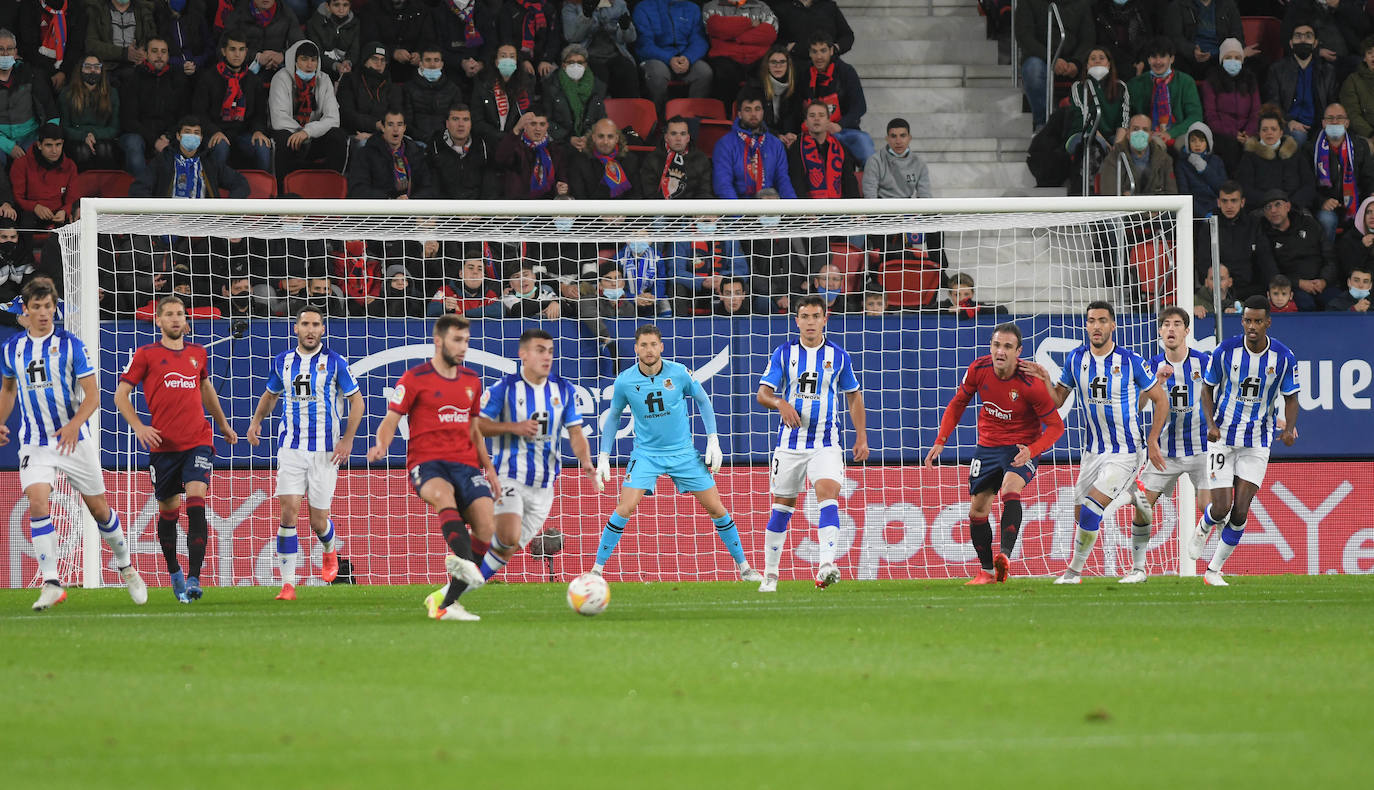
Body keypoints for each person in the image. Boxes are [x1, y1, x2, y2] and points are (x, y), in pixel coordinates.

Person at [0, 279, 146, 611]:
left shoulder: (71, 345)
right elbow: (8, 390)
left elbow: (93, 396)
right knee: (38, 502)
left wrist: (74, 425)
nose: (43, 313)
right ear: (26, 310)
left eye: (48, 306)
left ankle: (125, 565)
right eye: (36, 307)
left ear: (55, 308)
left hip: (74, 441)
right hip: (35, 442)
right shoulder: (11, 349)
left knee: (100, 511)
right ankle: (52, 582)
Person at [590, 324, 763, 582]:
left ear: (661, 346)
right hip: (646, 454)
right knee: (624, 508)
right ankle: (596, 570)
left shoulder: (680, 373)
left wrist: (713, 440)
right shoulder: (625, 380)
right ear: (636, 348)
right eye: (643, 345)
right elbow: (614, 416)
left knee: (716, 509)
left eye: (653, 344)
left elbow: (703, 401)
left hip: (683, 453)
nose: (649, 350)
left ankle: (745, 568)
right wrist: (604, 455)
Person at [1021, 301, 1167, 584]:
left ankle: (1073, 572)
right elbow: (1058, 400)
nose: (1096, 326)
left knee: (1091, 511)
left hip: (1126, 451)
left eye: (1102, 320)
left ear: (1113, 325)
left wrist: (1152, 440)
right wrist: (1046, 379)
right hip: (1093, 452)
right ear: (1086, 325)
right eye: (1091, 321)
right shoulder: (1076, 359)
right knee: (1081, 517)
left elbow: (1161, 400)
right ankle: (1134, 495)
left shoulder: (1130, 361)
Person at [366, 315, 499, 621]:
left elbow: (475, 430)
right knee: (443, 495)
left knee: (487, 526)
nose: (463, 347)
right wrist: (381, 444)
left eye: (466, 341)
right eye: (457, 340)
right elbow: (390, 420)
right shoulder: (414, 378)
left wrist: (489, 468)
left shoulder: (471, 381)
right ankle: (464, 560)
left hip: (466, 465)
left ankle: (445, 604)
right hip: (427, 464)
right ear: (438, 341)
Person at [113, 296, 239, 603]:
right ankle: (174, 571)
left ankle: (195, 577)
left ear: (185, 320)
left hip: (198, 441)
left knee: (196, 502)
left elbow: (206, 389)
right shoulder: (146, 355)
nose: (174, 319)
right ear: (158, 320)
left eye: (179, 314)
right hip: (163, 448)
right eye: (168, 314)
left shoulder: (198, 353)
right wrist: (139, 427)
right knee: (169, 512)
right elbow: (120, 395)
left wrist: (223, 425)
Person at [459, 328, 599, 602]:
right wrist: (513, 427)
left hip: (545, 486)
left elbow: (575, 432)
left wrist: (586, 462)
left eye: (550, 351)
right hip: (510, 476)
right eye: (540, 350)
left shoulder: (564, 389)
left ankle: (456, 589)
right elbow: (476, 426)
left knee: (506, 548)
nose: (547, 357)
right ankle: (471, 541)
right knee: (508, 533)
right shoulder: (504, 389)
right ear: (523, 354)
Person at [925, 322, 1063, 584]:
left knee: (1010, 489)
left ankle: (1005, 556)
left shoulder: (1031, 383)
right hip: (987, 447)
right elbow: (958, 403)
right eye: (996, 345)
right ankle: (988, 571)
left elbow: (1056, 427)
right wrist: (941, 440)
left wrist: (1032, 450)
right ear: (990, 346)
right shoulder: (978, 369)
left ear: (1018, 352)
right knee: (977, 511)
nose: (1001, 351)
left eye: (1008, 347)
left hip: (1021, 448)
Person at [245, 305, 363, 600]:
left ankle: (329, 549)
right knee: (288, 512)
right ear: (296, 328)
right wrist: (256, 422)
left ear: (323, 329)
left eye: (316, 325)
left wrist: (347, 440)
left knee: (318, 521)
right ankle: (287, 585)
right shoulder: (283, 361)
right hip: (291, 448)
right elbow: (270, 395)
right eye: (306, 324)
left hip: (325, 452)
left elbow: (357, 402)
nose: (311, 330)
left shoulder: (335, 362)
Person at [753, 294, 868, 590]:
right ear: (797, 321)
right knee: (781, 508)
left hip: (825, 442)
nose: (810, 322)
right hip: (790, 444)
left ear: (825, 319)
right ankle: (770, 575)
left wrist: (861, 436)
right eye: (805, 316)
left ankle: (826, 565)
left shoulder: (838, 356)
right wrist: (780, 403)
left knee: (828, 495)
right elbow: (763, 393)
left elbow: (853, 395)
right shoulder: (784, 353)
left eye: (816, 316)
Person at [1190, 295, 1300, 585]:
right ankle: (1205, 524)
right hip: (1223, 438)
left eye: (1257, 321)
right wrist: (1211, 424)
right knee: (1222, 508)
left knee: (1240, 512)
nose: (1252, 326)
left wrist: (1289, 428)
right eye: (1247, 320)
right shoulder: (1225, 351)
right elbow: (1207, 390)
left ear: (1267, 323)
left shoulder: (1283, 357)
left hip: (1257, 442)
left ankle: (1213, 570)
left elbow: (1291, 397)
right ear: (1242, 321)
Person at [1131, 307, 1213, 582]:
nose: (1171, 329)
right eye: (1166, 324)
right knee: (1142, 506)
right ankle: (1138, 569)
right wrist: (1156, 383)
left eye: (1177, 324)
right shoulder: (1151, 365)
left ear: (1187, 331)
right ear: (1159, 331)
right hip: (1164, 451)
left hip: (1202, 449)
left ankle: (1206, 544)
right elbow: (1138, 406)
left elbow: (1223, 395)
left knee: (1211, 508)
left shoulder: (1204, 362)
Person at [193, 29, 273, 173]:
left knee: (262, 147)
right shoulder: (208, 78)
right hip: (215, 131)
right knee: (221, 146)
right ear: (223, 51)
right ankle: (215, 186)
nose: (237, 54)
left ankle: (264, 186)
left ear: (246, 52)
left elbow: (260, 114)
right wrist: (214, 131)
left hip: (243, 133)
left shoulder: (253, 80)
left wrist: (258, 131)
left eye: (241, 49)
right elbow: (199, 113)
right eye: (233, 49)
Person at [268, 39, 346, 177]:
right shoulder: (280, 78)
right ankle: (283, 187)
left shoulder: (324, 79)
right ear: (294, 60)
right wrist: (300, 133)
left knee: (337, 135)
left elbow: (333, 119)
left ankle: (332, 183)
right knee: (282, 137)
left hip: (313, 136)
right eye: (304, 59)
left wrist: (308, 132)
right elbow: (279, 119)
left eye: (313, 60)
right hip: (291, 136)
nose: (310, 65)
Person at [1016, 0, 1094, 131]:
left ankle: (1087, 127)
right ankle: (1044, 125)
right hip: (1041, 57)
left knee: (1100, 66)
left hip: (1074, 59)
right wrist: (1051, 58)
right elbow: (1024, 36)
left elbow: (1088, 39)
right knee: (1033, 70)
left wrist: (1077, 62)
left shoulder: (1082, 3)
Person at [118, 37, 188, 181]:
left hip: (168, 135)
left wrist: (168, 136)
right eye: (154, 51)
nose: (159, 55)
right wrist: (155, 140)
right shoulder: (133, 78)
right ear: (146, 54)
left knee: (189, 139)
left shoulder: (177, 78)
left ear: (168, 55)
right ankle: (144, 190)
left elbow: (183, 116)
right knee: (133, 143)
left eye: (163, 52)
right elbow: (129, 120)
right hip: (139, 134)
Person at [130, 115, 252, 198]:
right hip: (169, 222)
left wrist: (226, 209)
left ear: (201, 138)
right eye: (187, 132)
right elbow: (138, 188)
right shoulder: (163, 160)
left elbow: (241, 183)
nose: (192, 136)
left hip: (204, 222)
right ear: (178, 136)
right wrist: (158, 215)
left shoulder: (210, 162)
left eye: (196, 133)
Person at [797, 31, 871, 163]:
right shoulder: (803, 74)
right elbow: (795, 108)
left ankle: (873, 176)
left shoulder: (846, 71)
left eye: (823, 50)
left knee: (864, 142)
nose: (819, 56)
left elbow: (860, 107)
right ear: (809, 53)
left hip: (843, 130)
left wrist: (839, 125)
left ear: (831, 51)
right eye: (814, 51)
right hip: (812, 132)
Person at [1258, 188, 1337, 310]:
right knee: (1305, 304)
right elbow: (1270, 272)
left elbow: (1330, 257)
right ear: (1264, 213)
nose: (1273, 210)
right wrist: (1299, 283)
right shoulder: (1263, 234)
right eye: (1268, 207)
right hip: (1290, 287)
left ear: (1288, 207)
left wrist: (1324, 280)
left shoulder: (1309, 224)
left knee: (1337, 302)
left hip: (1320, 283)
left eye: (1278, 205)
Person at [1305, 102, 1374, 241]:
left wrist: (1370, 196)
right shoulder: (1310, 149)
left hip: (1356, 203)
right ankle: (1328, 254)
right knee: (1327, 219)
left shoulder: (1360, 146)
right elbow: (1306, 184)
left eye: (1340, 118)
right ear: (1323, 123)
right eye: (1330, 118)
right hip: (1324, 207)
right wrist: (1322, 201)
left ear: (1347, 123)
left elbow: (1369, 178)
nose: (1335, 122)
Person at [712, 88, 795, 198]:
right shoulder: (724, 145)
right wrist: (739, 210)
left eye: (757, 109)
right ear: (739, 114)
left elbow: (783, 181)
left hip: (770, 205)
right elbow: (723, 185)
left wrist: (793, 207)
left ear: (763, 112)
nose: (753, 114)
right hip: (739, 205)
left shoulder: (776, 144)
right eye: (748, 110)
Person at [1264, 21, 1337, 147]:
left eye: (1308, 36)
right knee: (1299, 136)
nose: (1303, 40)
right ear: (1291, 43)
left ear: (1315, 43)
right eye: (1298, 36)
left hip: (1319, 125)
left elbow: (1333, 103)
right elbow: (1273, 103)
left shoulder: (1327, 71)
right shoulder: (1277, 69)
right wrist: (1288, 122)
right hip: (1288, 125)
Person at [632, 0, 711, 111]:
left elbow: (699, 40)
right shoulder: (643, 7)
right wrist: (669, 58)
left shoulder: (692, 8)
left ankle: (693, 116)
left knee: (704, 72)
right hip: (656, 58)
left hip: (685, 57)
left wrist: (688, 58)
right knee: (658, 73)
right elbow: (644, 44)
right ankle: (658, 118)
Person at [1234, 104, 1316, 209]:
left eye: (1273, 129)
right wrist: (1271, 204)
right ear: (1259, 133)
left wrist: (1290, 205)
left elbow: (1309, 184)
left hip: (1293, 209)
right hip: (1262, 210)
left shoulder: (1295, 153)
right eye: (1265, 129)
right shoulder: (1249, 156)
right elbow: (1245, 188)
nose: (1269, 133)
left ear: (1281, 132)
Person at [1128, 37, 1203, 149]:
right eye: (1154, 57)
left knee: (1188, 145)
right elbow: (1128, 115)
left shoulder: (1186, 81)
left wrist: (1171, 133)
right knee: (1155, 146)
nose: (1158, 62)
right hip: (1149, 134)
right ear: (1148, 60)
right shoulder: (1135, 84)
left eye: (1162, 57)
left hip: (1180, 132)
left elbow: (1195, 116)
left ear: (1171, 59)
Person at [0, 27, 58, 171]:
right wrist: (8, 146)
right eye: (0, 49)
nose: (5, 54)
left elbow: (51, 111)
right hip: (1, 139)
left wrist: (48, 138)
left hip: (30, 136)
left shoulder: (31, 75)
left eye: (9, 49)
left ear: (15, 52)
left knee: (35, 165)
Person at [1199, 37, 1260, 174]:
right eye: (1228, 57)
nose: (1233, 61)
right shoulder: (1211, 81)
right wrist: (1233, 133)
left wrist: (1248, 132)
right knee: (1230, 145)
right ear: (1222, 60)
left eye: (1237, 57)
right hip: (1222, 132)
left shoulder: (1250, 79)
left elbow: (1256, 112)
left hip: (1247, 132)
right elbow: (1211, 116)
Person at [702, 0, 776, 107]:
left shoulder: (761, 6)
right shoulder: (712, 6)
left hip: (758, 59)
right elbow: (716, 27)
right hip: (726, 59)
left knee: (773, 68)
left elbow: (770, 33)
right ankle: (726, 113)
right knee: (724, 73)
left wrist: (733, 36)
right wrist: (749, 23)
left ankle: (767, 114)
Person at [348, 110, 435, 199]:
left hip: (411, 205)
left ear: (404, 128)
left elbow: (428, 187)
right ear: (383, 127)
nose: (395, 129)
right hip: (382, 206)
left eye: (399, 125)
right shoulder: (365, 154)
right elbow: (358, 189)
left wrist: (409, 201)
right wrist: (390, 201)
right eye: (390, 125)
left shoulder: (416, 153)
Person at [561, 0, 639, 100]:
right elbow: (571, 36)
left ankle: (628, 108)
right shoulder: (571, 6)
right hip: (587, 55)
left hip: (615, 54)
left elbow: (631, 38)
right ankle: (594, 109)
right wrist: (586, 16)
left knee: (626, 70)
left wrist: (625, 28)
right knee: (598, 74)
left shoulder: (619, 4)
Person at [668, 218, 748, 314]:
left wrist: (724, 278)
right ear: (694, 216)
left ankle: (741, 322)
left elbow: (741, 269)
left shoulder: (729, 235)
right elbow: (675, 271)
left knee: (741, 287)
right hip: (692, 287)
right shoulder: (682, 235)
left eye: (711, 214)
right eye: (703, 214)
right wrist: (702, 282)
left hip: (722, 286)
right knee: (676, 289)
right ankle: (682, 322)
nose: (707, 218)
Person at [59, 56, 121, 171]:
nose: (92, 70)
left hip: (103, 137)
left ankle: (104, 182)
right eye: (88, 67)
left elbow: (115, 128)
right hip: (75, 138)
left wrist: (94, 135)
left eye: (96, 67)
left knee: (104, 149)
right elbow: (64, 127)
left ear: (102, 70)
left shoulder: (112, 93)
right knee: (82, 151)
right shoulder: (67, 93)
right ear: (80, 70)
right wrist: (84, 136)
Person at [471, 42, 537, 149]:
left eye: (512, 56)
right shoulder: (482, 82)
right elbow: (477, 121)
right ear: (496, 61)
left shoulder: (526, 84)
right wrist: (503, 137)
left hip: (518, 142)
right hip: (489, 142)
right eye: (503, 56)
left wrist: (514, 135)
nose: (508, 60)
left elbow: (529, 115)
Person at [543, 43, 607, 152]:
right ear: (563, 65)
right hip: (560, 143)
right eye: (571, 62)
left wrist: (588, 137)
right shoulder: (551, 86)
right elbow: (546, 120)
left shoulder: (598, 86)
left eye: (580, 62)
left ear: (586, 65)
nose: (576, 66)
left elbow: (601, 119)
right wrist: (568, 138)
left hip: (590, 142)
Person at [12, 125, 78, 230]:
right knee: (26, 218)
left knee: (74, 223)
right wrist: (35, 207)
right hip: (29, 214)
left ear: (63, 143)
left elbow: (71, 198)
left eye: (58, 145)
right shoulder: (21, 164)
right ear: (39, 145)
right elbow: (17, 197)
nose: (54, 150)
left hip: (58, 215)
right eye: (49, 145)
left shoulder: (70, 166)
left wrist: (65, 211)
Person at [1160, 0, 1245, 80]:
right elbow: (1174, 37)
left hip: (1220, 57)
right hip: (1189, 59)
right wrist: (1192, 51)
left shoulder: (1228, 5)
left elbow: (1237, 35)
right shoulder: (1178, 5)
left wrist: (1235, 52)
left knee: (1242, 64)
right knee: (1176, 62)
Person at [492, 111, 569, 199]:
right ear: (525, 126)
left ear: (547, 126)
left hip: (547, 203)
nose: (538, 129)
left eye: (542, 124)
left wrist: (561, 188)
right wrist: (516, 129)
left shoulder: (555, 150)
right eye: (533, 124)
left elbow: (562, 178)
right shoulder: (516, 147)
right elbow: (501, 158)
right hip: (521, 203)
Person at [1098, 113, 1179, 196]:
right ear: (1128, 133)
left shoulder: (1164, 160)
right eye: (1135, 129)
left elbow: (1172, 195)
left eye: (1145, 130)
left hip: (1155, 205)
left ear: (1151, 135)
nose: (1140, 133)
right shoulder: (1114, 158)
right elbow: (1109, 194)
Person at [337, 41, 399, 146]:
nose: (379, 64)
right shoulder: (349, 80)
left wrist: (375, 135)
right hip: (354, 134)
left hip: (384, 135)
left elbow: (397, 116)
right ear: (365, 60)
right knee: (365, 144)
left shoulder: (392, 87)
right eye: (374, 59)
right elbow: (346, 114)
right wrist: (374, 124)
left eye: (383, 60)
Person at [224, 0, 303, 81]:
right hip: (244, 74)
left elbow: (301, 47)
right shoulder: (238, 14)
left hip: (278, 75)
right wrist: (257, 57)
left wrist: (283, 56)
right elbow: (223, 50)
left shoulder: (286, 12)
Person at [428, 104, 493, 200]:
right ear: (447, 123)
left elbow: (490, 186)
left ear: (471, 124)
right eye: (455, 119)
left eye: (465, 120)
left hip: (477, 207)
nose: (461, 124)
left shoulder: (482, 147)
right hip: (445, 207)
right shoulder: (434, 147)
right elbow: (432, 188)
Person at [639, 115, 712, 199]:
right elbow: (650, 194)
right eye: (673, 134)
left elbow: (705, 192)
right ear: (666, 137)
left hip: (692, 206)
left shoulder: (701, 159)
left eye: (683, 134)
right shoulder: (652, 159)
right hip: (660, 206)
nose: (678, 138)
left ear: (688, 138)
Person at [84, 0, 157, 82]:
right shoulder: (96, 10)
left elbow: (153, 40)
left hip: (137, 67)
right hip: (107, 68)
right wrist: (123, 53)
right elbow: (91, 45)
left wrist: (144, 51)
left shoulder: (144, 10)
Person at [403, 47, 463, 144]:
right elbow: (407, 123)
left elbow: (457, 120)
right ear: (420, 63)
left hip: (446, 142)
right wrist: (425, 139)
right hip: (417, 142)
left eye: (436, 60)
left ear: (442, 64)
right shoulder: (408, 88)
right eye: (428, 60)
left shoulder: (453, 89)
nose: (432, 64)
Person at [570, 117, 639, 199]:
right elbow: (579, 197)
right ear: (594, 138)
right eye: (601, 136)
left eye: (610, 136)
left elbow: (636, 195)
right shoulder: (579, 161)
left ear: (616, 139)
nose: (605, 142)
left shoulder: (630, 160)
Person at [864, 117, 930, 199]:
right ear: (887, 139)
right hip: (881, 205)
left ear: (909, 138)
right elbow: (870, 195)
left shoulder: (919, 163)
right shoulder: (874, 161)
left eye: (903, 136)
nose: (898, 141)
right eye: (893, 136)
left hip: (907, 205)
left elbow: (925, 195)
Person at [748, 45, 801, 147]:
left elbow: (794, 118)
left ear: (788, 65)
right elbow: (750, 121)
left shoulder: (794, 88)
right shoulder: (754, 88)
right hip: (760, 138)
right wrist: (775, 135)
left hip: (785, 139)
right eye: (773, 62)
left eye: (782, 62)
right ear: (767, 64)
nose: (778, 66)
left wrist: (790, 134)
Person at [495, 0, 560, 82]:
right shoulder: (509, 8)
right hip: (517, 55)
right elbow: (506, 39)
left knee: (550, 73)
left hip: (542, 56)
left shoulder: (548, 8)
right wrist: (523, 59)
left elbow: (553, 38)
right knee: (523, 73)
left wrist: (546, 60)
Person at [1175, 122, 1228, 217]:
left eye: (1202, 140)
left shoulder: (1216, 160)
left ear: (1208, 143)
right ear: (1188, 143)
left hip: (1217, 208)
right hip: (1195, 212)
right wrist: (1203, 214)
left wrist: (1205, 170)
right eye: (1193, 140)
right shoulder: (1182, 164)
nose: (1197, 144)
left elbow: (1223, 188)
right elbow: (1185, 193)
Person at [305, 0, 360, 80]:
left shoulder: (355, 23)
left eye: (345, 5)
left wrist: (348, 62)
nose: (341, 9)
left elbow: (354, 50)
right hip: (320, 71)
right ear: (327, 6)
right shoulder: (314, 23)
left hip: (346, 70)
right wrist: (335, 65)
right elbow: (316, 52)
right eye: (336, 5)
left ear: (350, 6)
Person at [1339, 35, 1374, 149]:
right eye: (1369, 52)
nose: (1373, 56)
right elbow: (1352, 114)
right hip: (1365, 135)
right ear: (1364, 58)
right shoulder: (1352, 81)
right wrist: (1370, 133)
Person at [938, 272, 1008, 319]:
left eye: (966, 294)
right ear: (950, 294)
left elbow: (1003, 310)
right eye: (957, 295)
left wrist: (973, 310)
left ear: (972, 294)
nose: (962, 298)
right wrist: (948, 310)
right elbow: (930, 310)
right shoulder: (942, 306)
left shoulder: (976, 306)